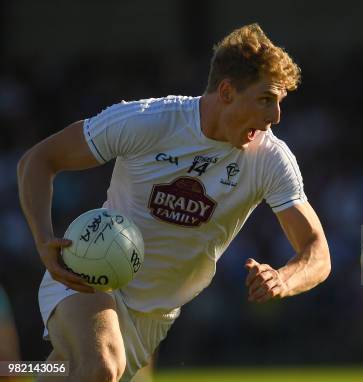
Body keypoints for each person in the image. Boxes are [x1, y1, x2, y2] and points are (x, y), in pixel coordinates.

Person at [17, 24, 331, 382]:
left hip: (155, 316)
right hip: (88, 274)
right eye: (265, 99)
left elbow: (316, 249)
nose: (275, 116)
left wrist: (283, 279)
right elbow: (38, 161)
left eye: (280, 102)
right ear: (226, 91)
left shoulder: (270, 159)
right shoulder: (148, 121)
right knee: (101, 367)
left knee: (69, 374)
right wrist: (43, 240)